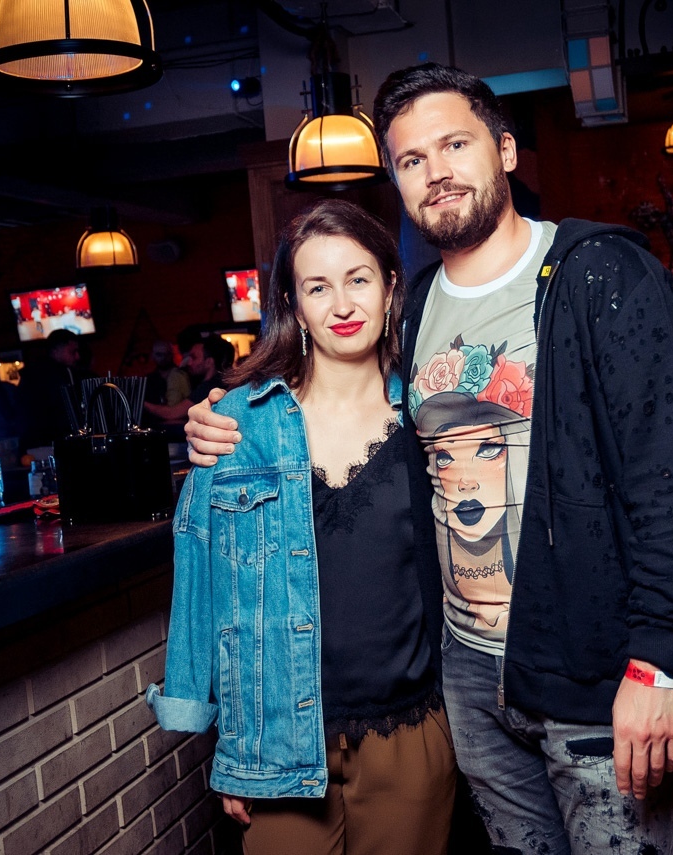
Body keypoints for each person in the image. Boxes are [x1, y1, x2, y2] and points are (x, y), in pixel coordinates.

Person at [185, 62, 673, 855]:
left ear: (504, 150)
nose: (436, 171)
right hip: (468, 679)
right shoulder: (415, 317)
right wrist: (222, 417)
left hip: (592, 669)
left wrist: (658, 659)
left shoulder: (596, 273)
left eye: (455, 144)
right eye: (412, 159)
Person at [147, 199, 456, 855]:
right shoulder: (237, 422)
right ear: (293, 303)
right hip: (275, 745)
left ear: (390, 286)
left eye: (358, 279)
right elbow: (198, 570)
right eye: (318, 287)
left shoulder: (430, 411)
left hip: (410, 736)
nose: (341, 304)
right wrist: (231, 745)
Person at [16, 328, 88, 453]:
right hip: (59, 442)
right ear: (55, 351)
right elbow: (69, 412)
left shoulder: (30, 372)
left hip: (31, 443)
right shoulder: (64, 373)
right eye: (72, 351)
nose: (77, 356)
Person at [141, 339, 194, 437]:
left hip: (180, 429)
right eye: (159, 354)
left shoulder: (182, 375)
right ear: (153, 355)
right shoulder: (148, 380)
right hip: (155, 430)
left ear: (171, 355)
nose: (163, 358)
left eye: (167, 354)